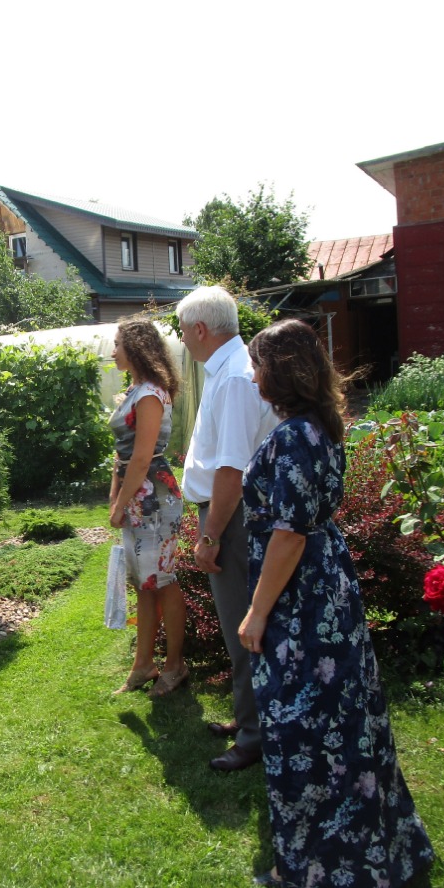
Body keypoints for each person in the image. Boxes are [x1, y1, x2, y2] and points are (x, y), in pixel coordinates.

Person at [238, 319, 434, 888]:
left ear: (280, 371)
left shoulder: (296, 437)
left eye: (258, 364)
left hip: (302, 608)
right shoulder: (317, 425)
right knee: (350, 725)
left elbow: (290, 535)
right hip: (328, 594)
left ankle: (331, 878)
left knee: (309, 735)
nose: (252, 375)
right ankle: (380, 853)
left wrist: (254, 614)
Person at [177, 286, 280, 772]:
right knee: (236, 621)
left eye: (183, 330)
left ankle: (257, 735)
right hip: (227, 514)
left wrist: (211, 534)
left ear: (201, 329)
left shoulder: (235, 378)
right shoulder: (230, 371)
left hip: (232, 518)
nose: (182, 339)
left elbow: (232, 470)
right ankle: (247, 719)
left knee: (244, 624)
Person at [108, 316, 188, 696]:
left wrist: (121, 503)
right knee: (145, 583)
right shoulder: (136, 389)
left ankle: (175, 666)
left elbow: (142, 459)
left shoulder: (153, 394)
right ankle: (143, 665)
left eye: (117, 344)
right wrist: (115, 494)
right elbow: (122, 456)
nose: (112, 352)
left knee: (164, 582)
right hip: (136, 493)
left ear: (135, 348)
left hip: (154, 497)